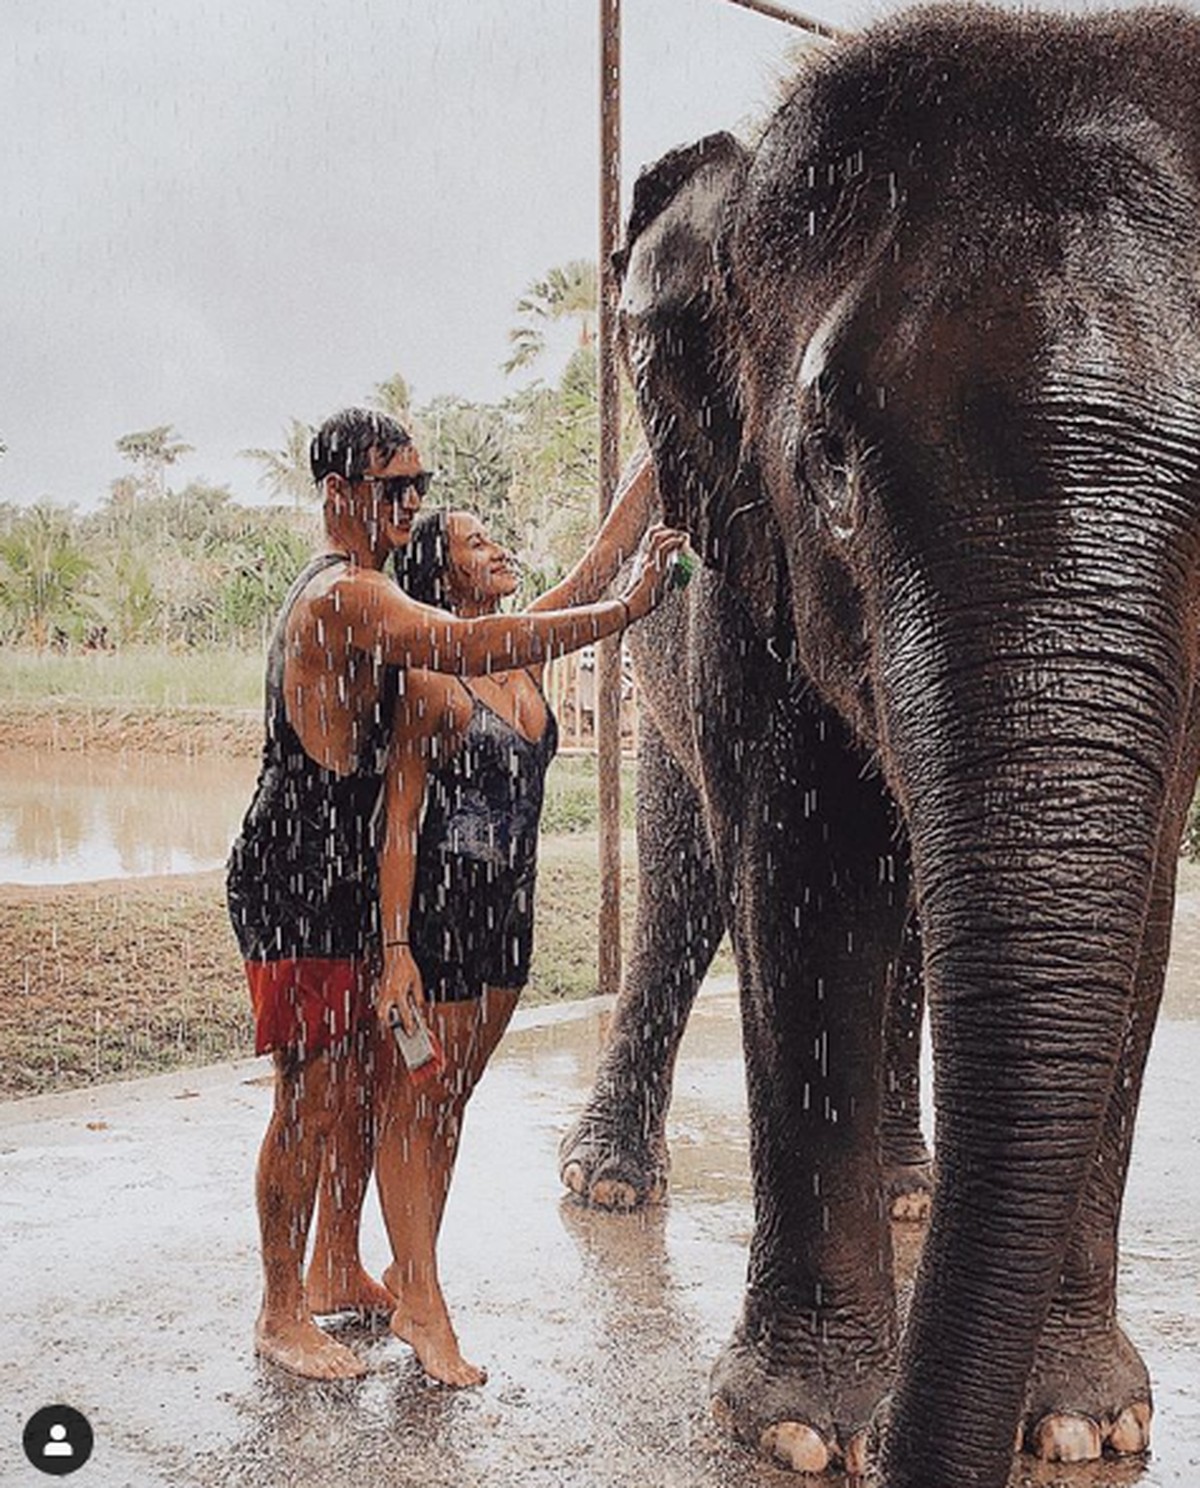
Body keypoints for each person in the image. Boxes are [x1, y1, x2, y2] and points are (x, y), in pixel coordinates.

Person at [226, 412, 677, 1381]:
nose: (412, 505)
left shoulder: (375, 588)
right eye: (395, 489)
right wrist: (632, 609)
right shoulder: (347, 596)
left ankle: (337, 1268)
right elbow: (491, 637)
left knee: (352, 1088)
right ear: (339, 491)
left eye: (418, 486)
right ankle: (277, 1310)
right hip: (299, 872)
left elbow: (561, 590)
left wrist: (660, 460)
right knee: (311, 1096)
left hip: (341, 873)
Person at [368, 452, 659, 1386]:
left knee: (450, 1104)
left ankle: (413, 1273)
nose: (495, 549)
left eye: (493, 537)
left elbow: (589, 575)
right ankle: (423, 1298)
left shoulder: (522, 646)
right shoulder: (429, 677)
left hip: (511, 913)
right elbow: (401, 819)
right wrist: (397, 949)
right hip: (445, 915)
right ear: (438, 574)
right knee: (416, 1102)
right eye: (473, 542)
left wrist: (647, 483)